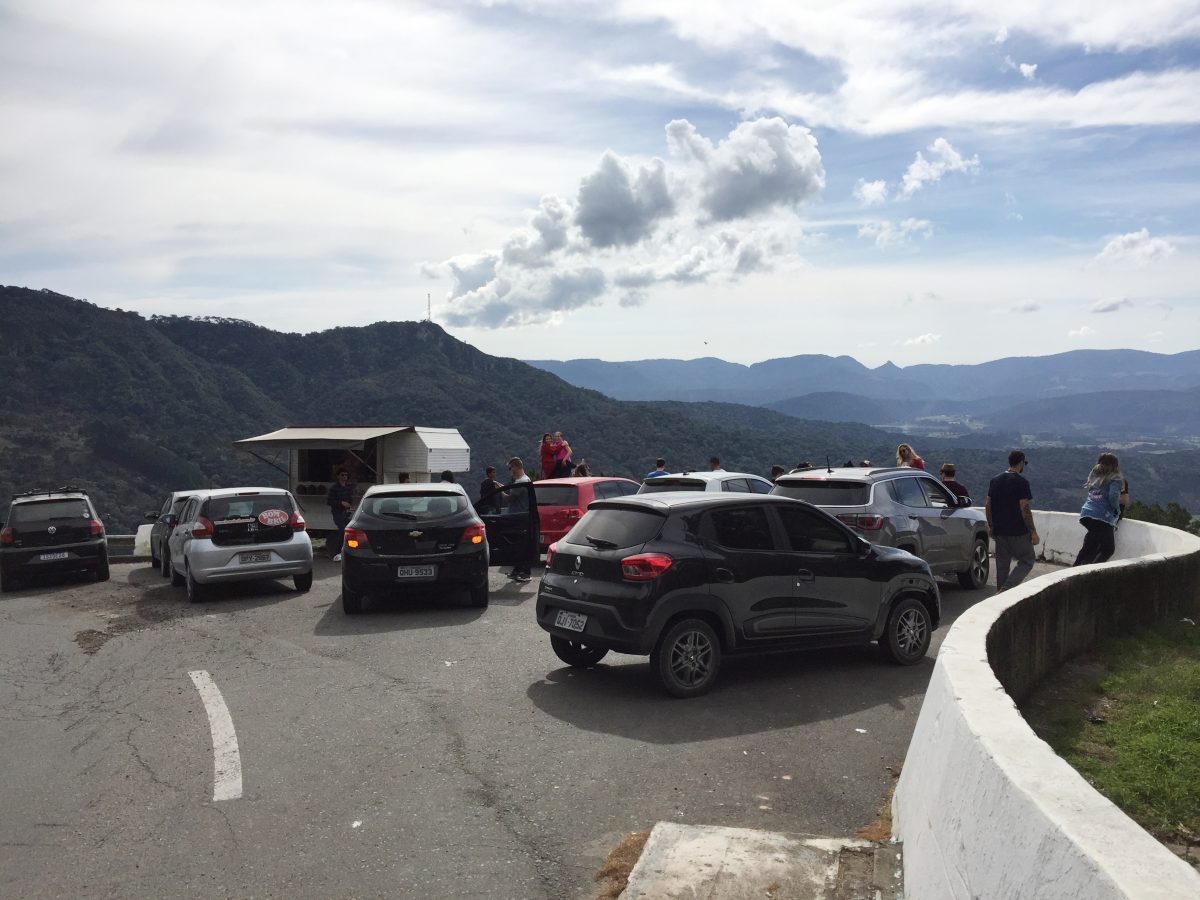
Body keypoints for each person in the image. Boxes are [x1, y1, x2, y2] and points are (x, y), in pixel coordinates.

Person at [986, 450, 1040, 592]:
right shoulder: (1022, 482)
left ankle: (1000, 595)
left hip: (1000, 531)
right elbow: (1024, 509)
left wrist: (991, 525)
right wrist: (1033, 531)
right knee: (1027, 560)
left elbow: (988, 505)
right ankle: (1007, 588)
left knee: (1002, 566)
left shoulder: (995, 480)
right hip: (1018, 531)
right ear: (1021, 462)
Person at [1073, 453, 1123, 567]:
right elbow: (1113, 496)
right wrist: (1117, 510)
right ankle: (1093, 571)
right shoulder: (1115, 479)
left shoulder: (1095, 477)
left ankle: (1076, 567)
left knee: (1091, 543)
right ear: (1115, 466)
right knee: (1108, 549)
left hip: (1086, 513)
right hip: (1102, 517)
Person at [505, 457, 534, 582]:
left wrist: (498, 492)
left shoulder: (521, 482)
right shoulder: (525, 479)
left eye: (510, 468)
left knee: (521, 545)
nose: (510, 470)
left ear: (516, 466)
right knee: (518, 545)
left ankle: (526, 572)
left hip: (519, 517)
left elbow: (510, 498)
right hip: (520, 516)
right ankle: (517, 570)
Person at [327, 468, 354, 561]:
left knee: (348, 531)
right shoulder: (334, 488)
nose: (344, 477)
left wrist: (349, 504)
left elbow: (350, 499)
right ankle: (335, 552)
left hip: (346, 513)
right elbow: (329, 501)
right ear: (338, 476)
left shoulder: (348, 488)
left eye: (346, 475)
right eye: (342, 475)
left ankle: (346, 551)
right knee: (342, 530)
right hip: (337, 513)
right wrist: (341, 503)